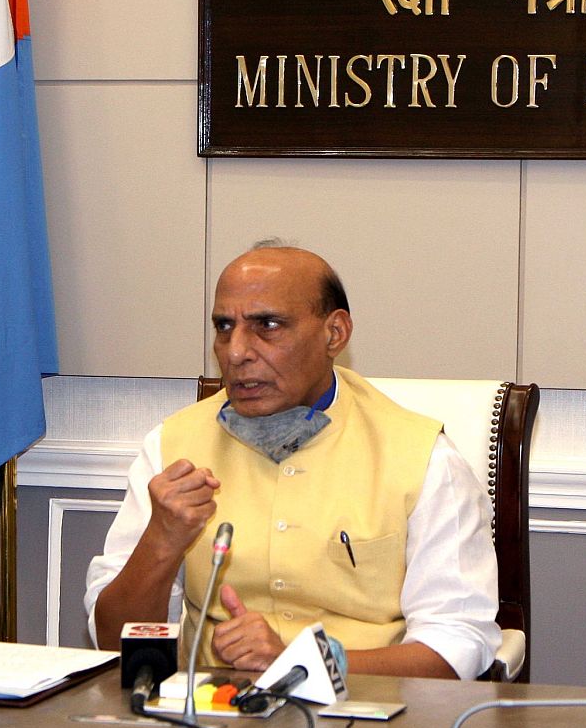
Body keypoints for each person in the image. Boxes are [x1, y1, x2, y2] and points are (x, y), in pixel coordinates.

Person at [84, 244, 500, 679]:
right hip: (207, 706)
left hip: (363, 708)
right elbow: (112, 641)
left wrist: (304, 663)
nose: (236, 352)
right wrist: (162, 540)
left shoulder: (422, 457)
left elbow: (456, 646)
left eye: (267, 325)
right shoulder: (172, 449)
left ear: (334, 334)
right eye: (224, 327)